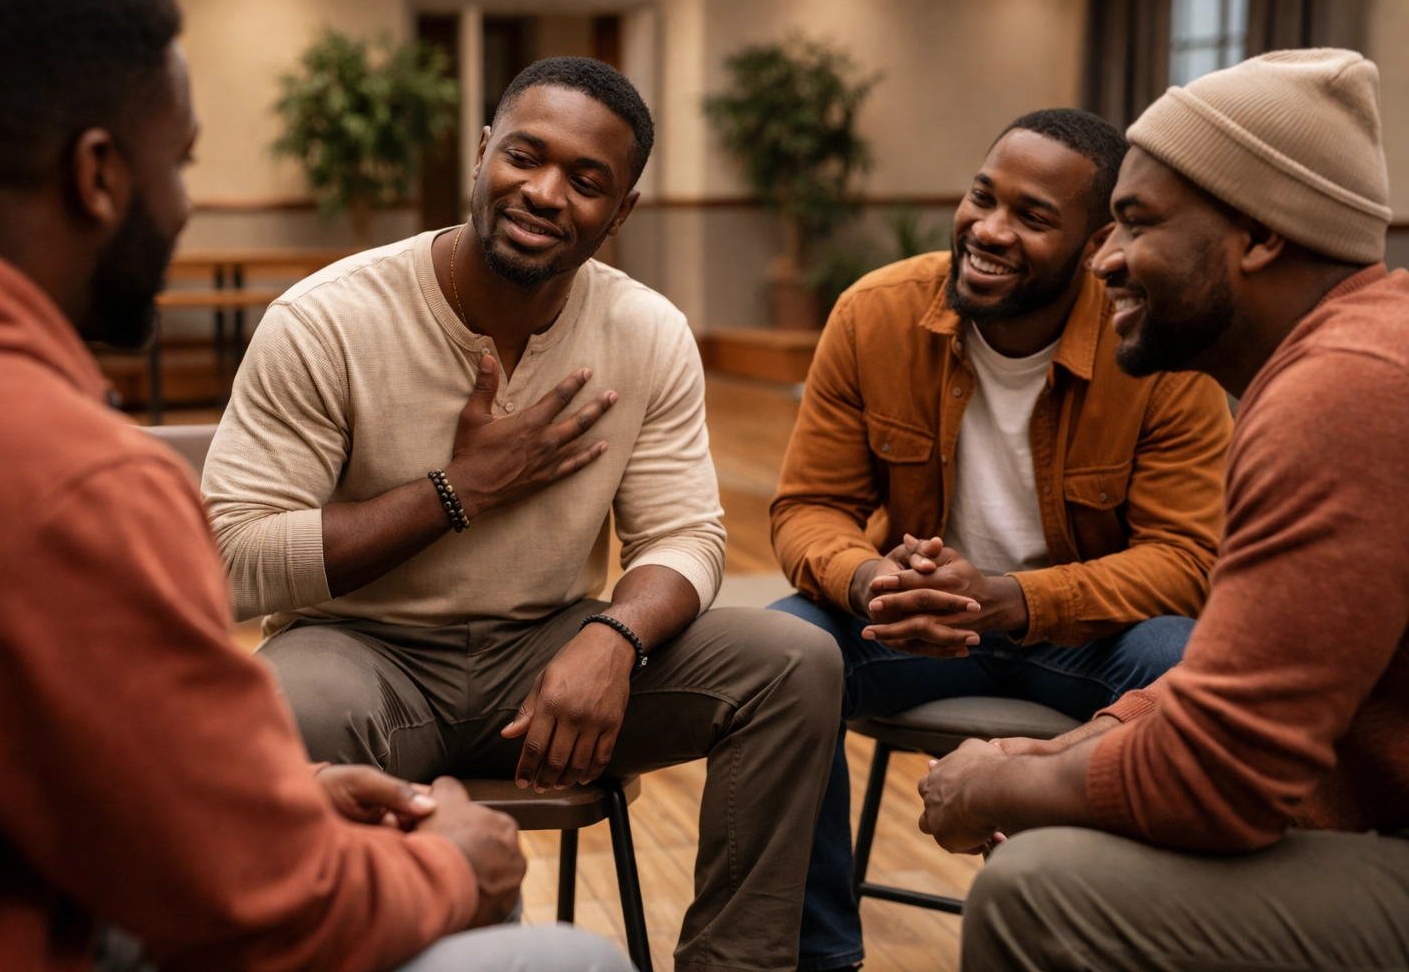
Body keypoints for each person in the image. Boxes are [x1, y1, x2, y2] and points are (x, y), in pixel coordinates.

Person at [0, 0, 633, 970]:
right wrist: (452, 867)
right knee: (570, 960)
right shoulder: (60, 478)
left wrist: (279, 801)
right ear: (98, 175)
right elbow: (257, 902)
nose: (184, 207)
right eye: (178, 161)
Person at [200, 54, 844, 972]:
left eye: (588, 181)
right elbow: (232, 561)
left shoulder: (647, 329)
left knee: (794, 663)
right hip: (361, 652)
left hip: (548, 644)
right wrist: (462, 491)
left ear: (620, 214)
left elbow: (687, 535)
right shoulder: (328, 319)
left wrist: (614, 640)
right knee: (275, 705)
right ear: (480, 154)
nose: (546, 192)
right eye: (525, 156)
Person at [918, 49, 1409, 972]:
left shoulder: (1344, 390)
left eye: (1134, 224)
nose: (1102, 259)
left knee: (1042, 890)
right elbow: (1252, 679)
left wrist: (1003, 791)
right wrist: (1088, 746)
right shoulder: (1352, 355)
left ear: (1258, 237)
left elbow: (1220, 780)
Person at [768, 108, 1234, 971]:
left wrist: (1016, 599)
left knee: (1191, 659)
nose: (988, 229)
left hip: (1091, 643)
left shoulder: (1159, 347)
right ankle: (815, 958)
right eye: (982, 197)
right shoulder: (874, 315)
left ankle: (1113, 934)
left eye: (1031, 216)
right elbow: (807, 508)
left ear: (1098, 243)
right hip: (918, 630)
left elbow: (1188, 561)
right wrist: (871, 579)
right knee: (784, 650)